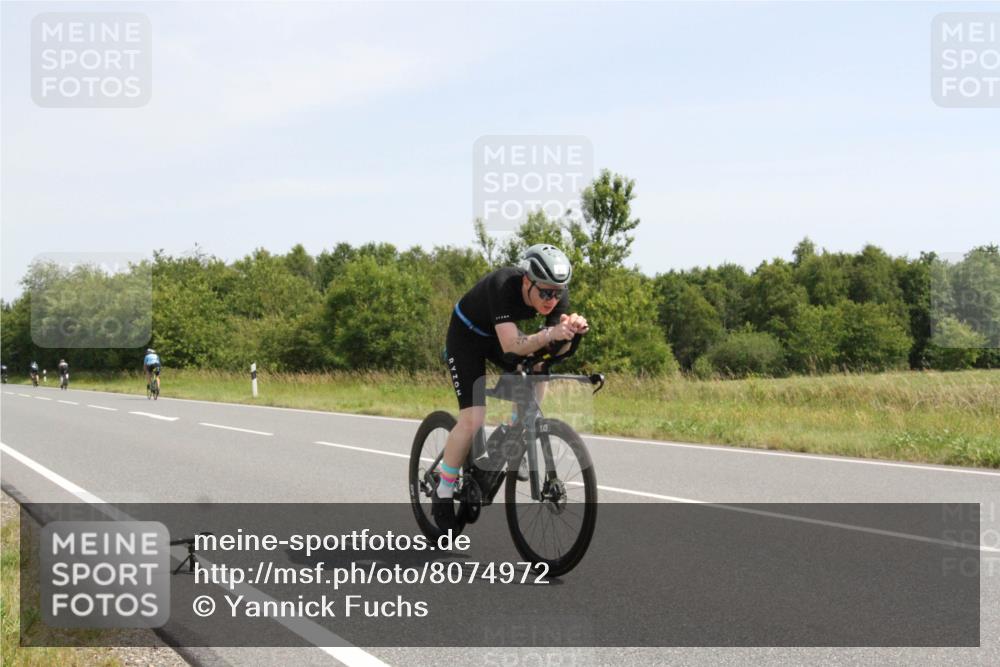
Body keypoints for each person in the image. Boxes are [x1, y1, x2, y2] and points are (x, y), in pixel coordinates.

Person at [434, 244, 589, 531]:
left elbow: (551, 349)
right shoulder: (503, 285)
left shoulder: (556, 293)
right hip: (468, 337)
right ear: (527, 280)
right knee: (473, 419)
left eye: (557, 293)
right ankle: (444, 489)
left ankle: (520, 426)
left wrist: (570, 332)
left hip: (501, 337)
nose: (551, 300)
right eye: (544, 292)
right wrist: (548, 333)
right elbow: (511, 345)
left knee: (539, 366)